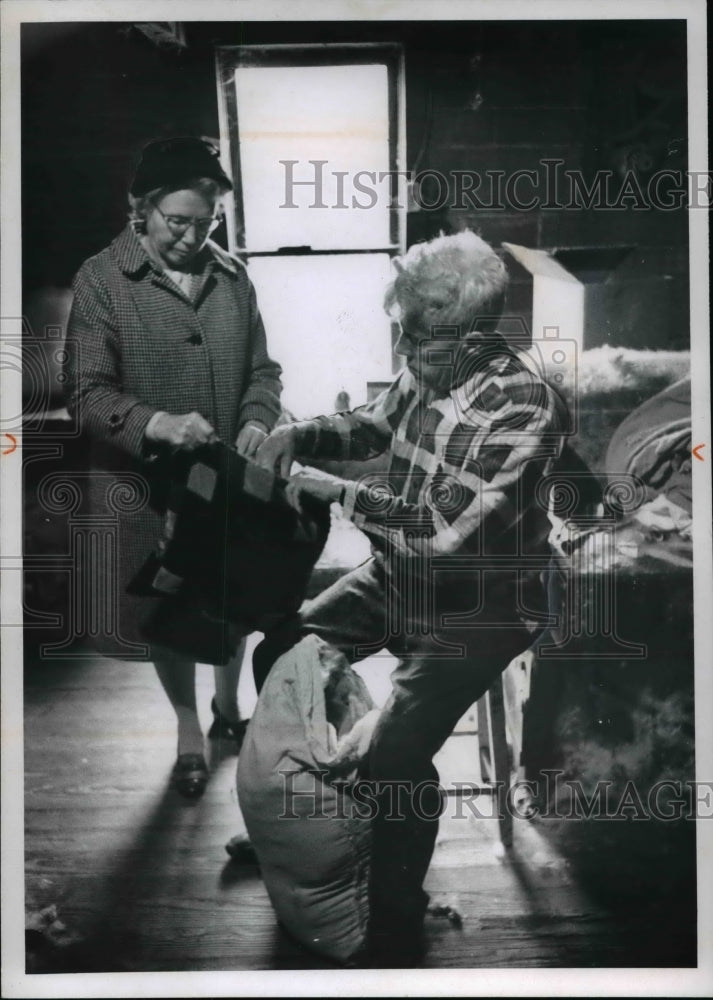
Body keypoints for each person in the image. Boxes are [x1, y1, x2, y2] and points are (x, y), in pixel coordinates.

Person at [254, 231, 568, 966]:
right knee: (282, 648)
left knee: (396, 758)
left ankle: (393, 914)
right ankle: (309, 815)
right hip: (402, 578)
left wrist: (338, 493)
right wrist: (299, 435)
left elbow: (444, 533)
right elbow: (373, 423)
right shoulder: (425, 367)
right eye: (400, 329)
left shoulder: (525, 409)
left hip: (484, 606)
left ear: (469, 337)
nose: (399, 346)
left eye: (413, 335)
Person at [64, 137, 283, 797]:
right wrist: (156, 423)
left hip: (222, 480)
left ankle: (228, 707)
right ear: (142, 210)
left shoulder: (234, 276)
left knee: (228, 598)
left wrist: (253, 420)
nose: (192, 237)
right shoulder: (102, 278)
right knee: (169, 608)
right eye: (177, 222)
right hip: (148, 485)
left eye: (206, 221)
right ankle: (189, 728)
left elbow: (263, 373)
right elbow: (87, 394)